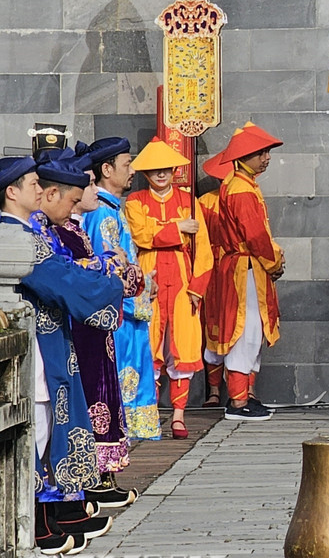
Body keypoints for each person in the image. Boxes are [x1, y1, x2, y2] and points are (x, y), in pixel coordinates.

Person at [0, 154, 123, 554]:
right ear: (12, 191)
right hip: (37, 347)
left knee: (43, 431)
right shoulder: (16, 238)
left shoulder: (26, 234)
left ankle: (47, 519)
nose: (41, 189)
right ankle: (36, 527)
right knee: (37, 430)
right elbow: (63, 280)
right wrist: (111, 280)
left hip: (48, 342)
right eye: (33, 183)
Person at [51, 147, 142, 509]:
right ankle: (87, 481)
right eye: (87, 185)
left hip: (96, 329)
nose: (92, 191)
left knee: (103, 396)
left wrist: (112, 268)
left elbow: (127, 276)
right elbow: (76, 277)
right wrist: (108, 266)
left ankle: (101, 475)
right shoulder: (60, 233)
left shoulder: (75, 229)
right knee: (89, 401)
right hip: (79, 327)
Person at [126, 139, 213, 440]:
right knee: (148, 346)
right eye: (154, 170)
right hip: (148, 278)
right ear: (145, 174)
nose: (160, 175)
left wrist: (197, 288)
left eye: (165, 169)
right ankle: (147, 411)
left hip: (181, 279)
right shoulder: (135, 202)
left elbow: (203, 249)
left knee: (182, 349)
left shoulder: (190, 201)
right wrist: (178, 229)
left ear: (174, 170)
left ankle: (178, 415)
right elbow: (141, 234)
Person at [78, 137, 161, 443]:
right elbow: (109, 272)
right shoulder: (102, 213)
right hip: (120, 317)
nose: (132, 170)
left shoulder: (111, 209)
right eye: (127, 164)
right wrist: (138, 290)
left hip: (127, 311)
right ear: (106, 169)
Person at [204, 122, 284, 422]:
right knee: (246, 329)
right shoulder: (240, 188)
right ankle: (238, 402)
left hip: (248, 265)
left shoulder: (242, 184)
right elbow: (256, 237)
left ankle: (244, 397)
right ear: (243, 156)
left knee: (253, 328)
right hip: (245, 267)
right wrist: (274, 261)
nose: (266, 158)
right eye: (260, 153)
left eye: (266, 152)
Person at [196, 158, 227, 406]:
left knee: (247, 327)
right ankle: (214, 389)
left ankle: (247, 390)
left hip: (240, 267)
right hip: (213, 268)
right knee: (212, 325)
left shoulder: (250, 196)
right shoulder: (205, 202)